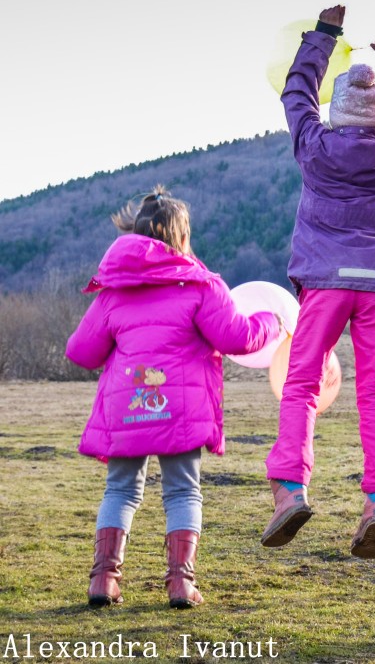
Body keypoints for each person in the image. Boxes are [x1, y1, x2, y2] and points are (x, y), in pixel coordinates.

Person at [262, 5, 375, 559]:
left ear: (336, 113)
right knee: (374, 391)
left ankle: (290, 491)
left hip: (324, 282)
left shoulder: (314, 146)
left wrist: (324, 35)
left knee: (301, 385)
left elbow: (296, 92)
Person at [65, 187, 281, 608]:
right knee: (182, 492)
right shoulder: (201, 285)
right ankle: (181, 584)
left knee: (120, 490)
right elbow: (237, 338)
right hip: (180, 410)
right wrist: (272, 321)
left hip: (126, 409)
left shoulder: (112, 293)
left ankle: (103, 580)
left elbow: (81, 351)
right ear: (182, 237)